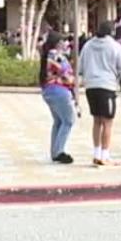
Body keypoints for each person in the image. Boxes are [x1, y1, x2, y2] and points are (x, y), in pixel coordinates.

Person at [79, 20, 121, 166]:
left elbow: (80, 67)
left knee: (96, 121)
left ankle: (96, 153)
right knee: (108, 122)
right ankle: (105, 155)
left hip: (91, 86)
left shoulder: (88, 45)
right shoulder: (115, 47)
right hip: (107, 86)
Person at [39, 31, 77, 164]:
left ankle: (54, 151)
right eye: (63, 41)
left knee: (59, 121)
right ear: (58, 43)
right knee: (68, 120)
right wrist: (73, 81)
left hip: (49, 90)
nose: (65, 43)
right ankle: (59, 151)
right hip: (59, 91)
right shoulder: (57, 56)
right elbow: (65, 73)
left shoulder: (47, 55)